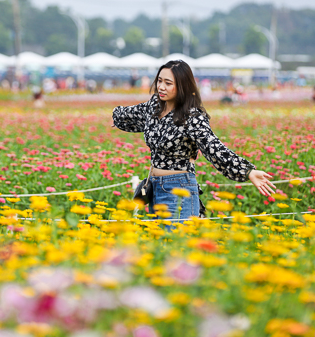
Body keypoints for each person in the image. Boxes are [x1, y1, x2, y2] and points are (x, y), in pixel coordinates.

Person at [112, 60, 275, 220]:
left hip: (179, 189)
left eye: (168, 83)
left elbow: (214, 148)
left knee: (176, 244)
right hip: (154, 188)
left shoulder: (191, 116)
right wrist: (116, 116)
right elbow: (128, 114)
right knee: (159, 244)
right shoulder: (155, 106)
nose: (161, 87)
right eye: (159, 81)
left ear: (182, 86)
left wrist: (247, 171)